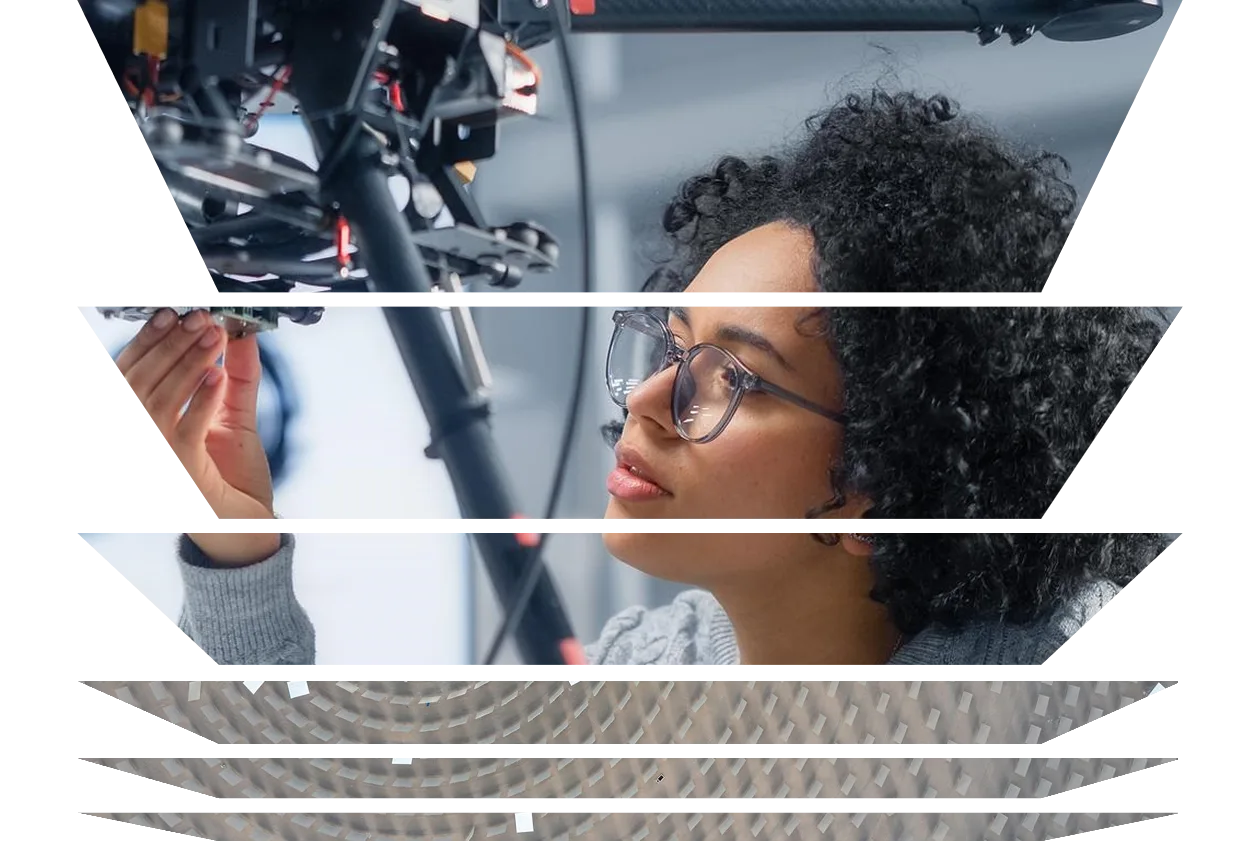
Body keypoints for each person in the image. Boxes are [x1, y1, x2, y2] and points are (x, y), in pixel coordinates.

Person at [115, 90, 1174, 667]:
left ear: (880, 484)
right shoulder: (657, 659)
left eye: (736, 380)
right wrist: (238, 528)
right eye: (672, 348)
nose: (650, 400)